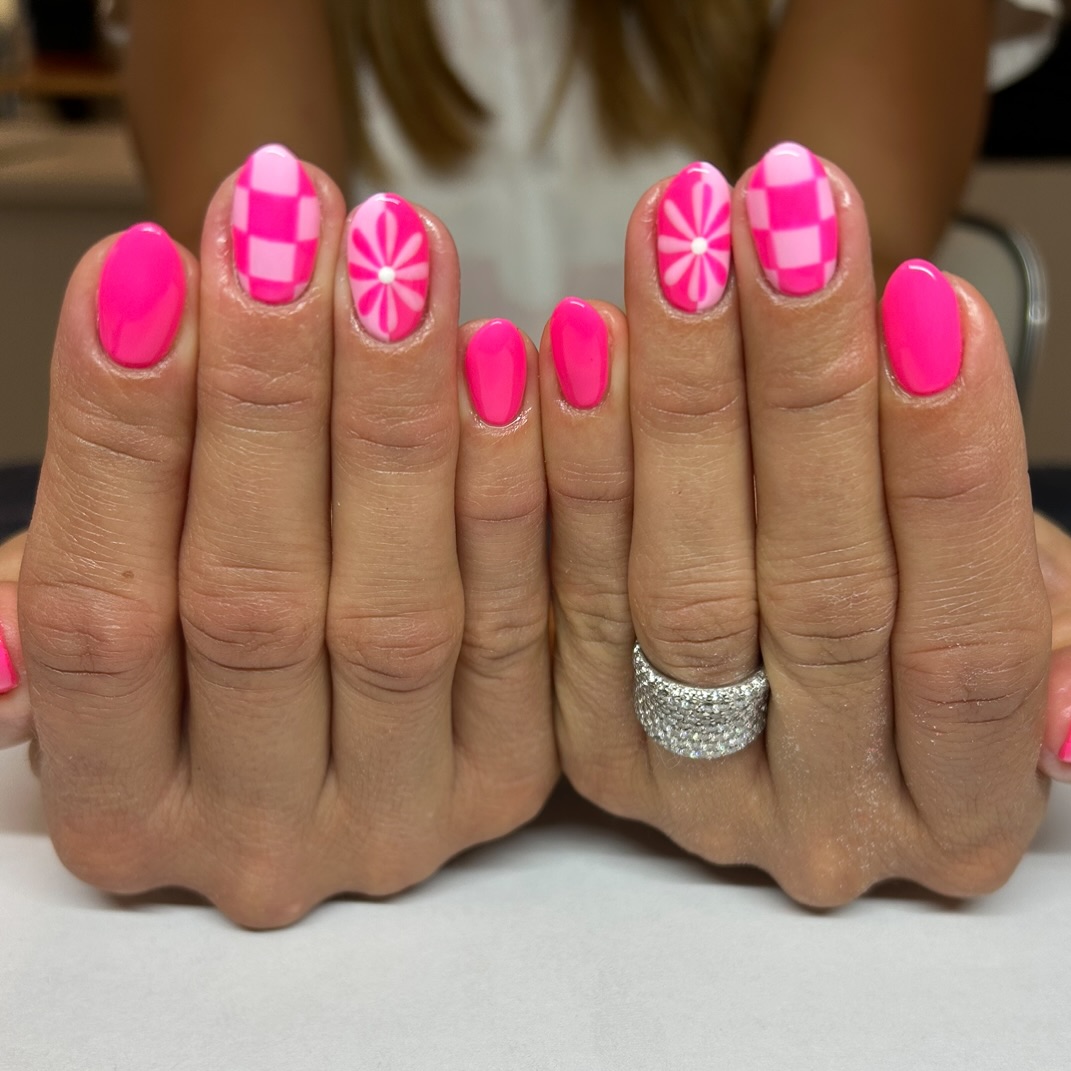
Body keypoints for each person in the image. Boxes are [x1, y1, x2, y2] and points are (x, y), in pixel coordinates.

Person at [2, 0, 1071, 928]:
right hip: (358, 542)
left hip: (739, 540)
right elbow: (267, 351)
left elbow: (818, 340)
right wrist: (187, 574)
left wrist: (889, 540)